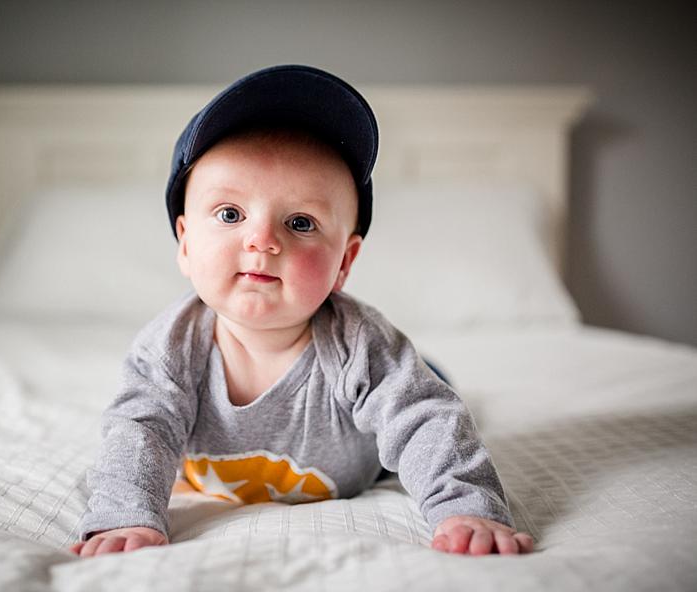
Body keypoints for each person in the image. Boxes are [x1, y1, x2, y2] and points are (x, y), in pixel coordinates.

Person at [70, 65, 534, 558]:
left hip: (361, 439)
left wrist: (467, 509)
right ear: (185, 243)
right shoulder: (167, 350)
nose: (263, 240)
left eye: (300, 222)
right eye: (230, 214)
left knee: (426, 388)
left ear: (344, 263)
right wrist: (126, 517)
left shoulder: (360, 344)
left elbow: (425, 422)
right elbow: (141, 431)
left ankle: (434, 372)